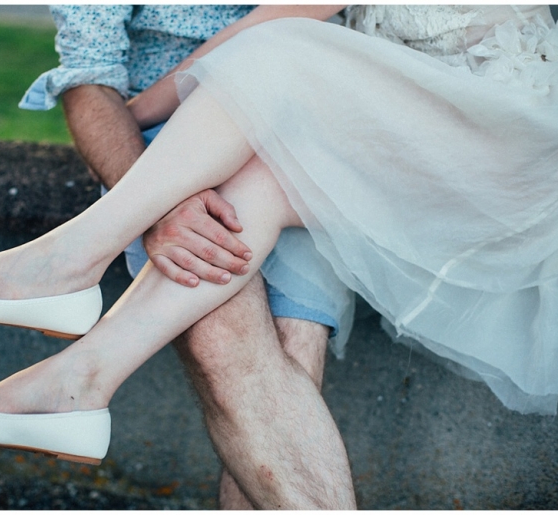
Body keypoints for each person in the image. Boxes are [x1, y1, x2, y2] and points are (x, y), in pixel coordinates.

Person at [0, 4, 558, 509]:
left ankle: (61, 264)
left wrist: (141, 127)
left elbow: (281, 25)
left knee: (279, 344)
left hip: (486, 137)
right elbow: (87, 71)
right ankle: (76, 382)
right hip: (323, 133)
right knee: (228, 299)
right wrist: (148, 174)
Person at [21, 5, 351, 509]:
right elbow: (89, 76)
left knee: (296, 351)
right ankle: (76, 371)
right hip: (163, 144)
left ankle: (74, 369)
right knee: (224, 341)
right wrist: (153, 201)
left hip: (303, 145)